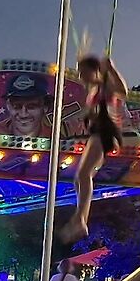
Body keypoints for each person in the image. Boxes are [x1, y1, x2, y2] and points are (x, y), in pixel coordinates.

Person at [57, 48, 129, 249]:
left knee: (83, 175)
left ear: (94, 70)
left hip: (105, 133)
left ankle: (81, 219)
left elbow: (122, 91)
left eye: (83, 71)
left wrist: (111, 70)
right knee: (79, 177)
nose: (80, 76)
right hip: (97, 132)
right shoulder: (94, 91)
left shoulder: (106, 85)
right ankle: (80, 217)